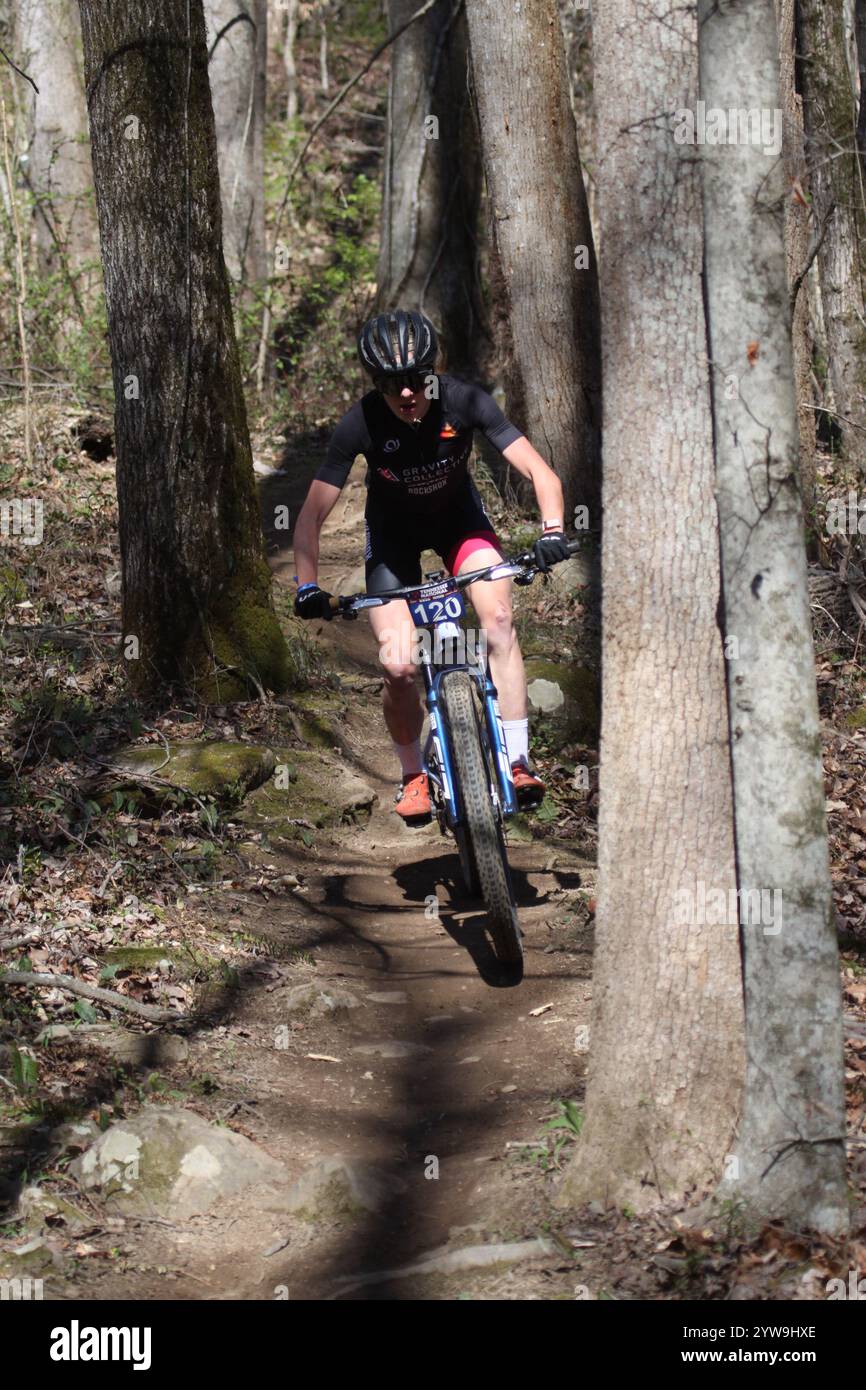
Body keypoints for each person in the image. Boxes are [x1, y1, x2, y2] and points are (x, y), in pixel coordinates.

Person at [292, 308, 570, 822]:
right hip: (393, 539)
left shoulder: (464, 400)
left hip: (458, 524)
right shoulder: (361, 422)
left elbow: (540, 472)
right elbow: (310, 515)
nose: (405, 394)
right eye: (391, 384)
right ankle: (412, 773)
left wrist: (552, 531)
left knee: (500, 622)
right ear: (376, 384)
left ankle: (517, 760)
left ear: (433, 373)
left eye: (417, 381)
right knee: (399, 664)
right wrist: (306, 585)